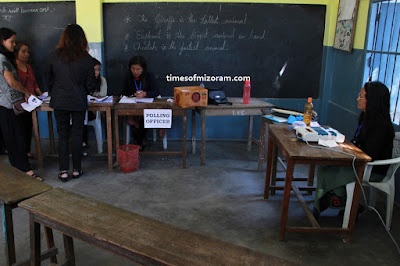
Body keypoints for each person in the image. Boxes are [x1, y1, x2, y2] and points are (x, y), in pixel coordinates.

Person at [313, 81, 394, 218]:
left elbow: (369, 154)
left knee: (334, 172)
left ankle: (345, 205)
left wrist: (348, 150)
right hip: (359, 162)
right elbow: (358, 144)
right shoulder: (365, 118)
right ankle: (340, 203)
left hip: (372, 169)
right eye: (359, 95)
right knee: (325, 167)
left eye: (361, 96)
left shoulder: (381, 126)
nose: (358, 99)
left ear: (372, 100)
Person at [46, 24, 97, 182]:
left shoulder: (53, 56)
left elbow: (48, 81)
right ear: (82, 39)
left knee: (62, 136)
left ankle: (63, 171)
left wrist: (55, 91)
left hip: (59, 101)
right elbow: (90, 87)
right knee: (76, 135)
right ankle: (76, 169)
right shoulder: (88, 60)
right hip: (78, 101)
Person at [0, 27, 42, 180]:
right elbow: (11, 82)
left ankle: (19, 168)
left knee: (15, 137)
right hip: (8, 105)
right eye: (11, 41)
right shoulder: (2, 59)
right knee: (15, 138)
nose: (13, 44)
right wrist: (26, 92)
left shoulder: (5, 59)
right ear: (2, 41)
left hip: (9, 105)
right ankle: (25, 170)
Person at [122, 55, 159, 150]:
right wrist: (130, 95)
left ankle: (138, 141)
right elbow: (124, 92)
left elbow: (156, 91)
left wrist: (145, 93)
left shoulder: (149, 77)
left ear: (143, 69)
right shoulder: (128, 77)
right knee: (132, 116)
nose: (135, 72)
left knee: (143, 117)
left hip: (147, 106)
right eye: (133, 69)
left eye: (138, 69)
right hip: (133, 106)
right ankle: (140, 141)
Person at [15, 41, 43, 159]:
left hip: (31, 102)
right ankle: (21, 153)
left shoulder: (28, 67)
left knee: (29, 127)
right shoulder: (13, 67)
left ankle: (27, 151)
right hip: (21, 102)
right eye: (23, 51)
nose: (26, 54)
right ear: (16, 52)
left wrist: (40, 94)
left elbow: (34, 82)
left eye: (27, 52)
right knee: (20, 128)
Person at [83, 58, 107, 148]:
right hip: (84, 109)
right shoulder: (83, 80)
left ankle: (83, 143)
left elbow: (103, 95)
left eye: (98, 70)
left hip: (95, 111)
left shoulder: (102, 80)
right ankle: (82, 143)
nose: (97, 73)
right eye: (94, 70)